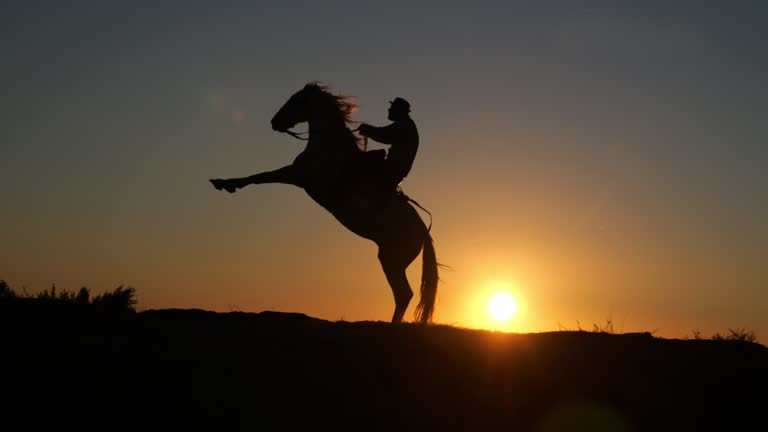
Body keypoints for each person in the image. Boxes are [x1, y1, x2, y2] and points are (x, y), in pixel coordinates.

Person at [357, 97, 419, 198]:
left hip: (392, 170)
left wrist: (367, 129)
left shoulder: (404, 125)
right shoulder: (407, 125)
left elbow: (384, 134)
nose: (389, 110)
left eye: (392, 107)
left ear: (399, 110)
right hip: (395, 170)